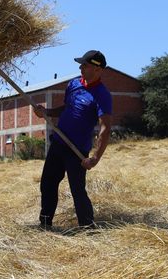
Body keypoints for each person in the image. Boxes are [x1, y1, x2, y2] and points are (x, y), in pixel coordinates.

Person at [34, 50, 112, 229]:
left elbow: (105, 128)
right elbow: (66, 109)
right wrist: (47, 112)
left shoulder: (102, 95)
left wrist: (95, 157)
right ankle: (45, 223)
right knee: (48, 183)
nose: (80, 68)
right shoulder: (74, 84)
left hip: (77, 151)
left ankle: (87, 227)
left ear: (98, 70)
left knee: (77, 190)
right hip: (59, 143)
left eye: (85, 65)